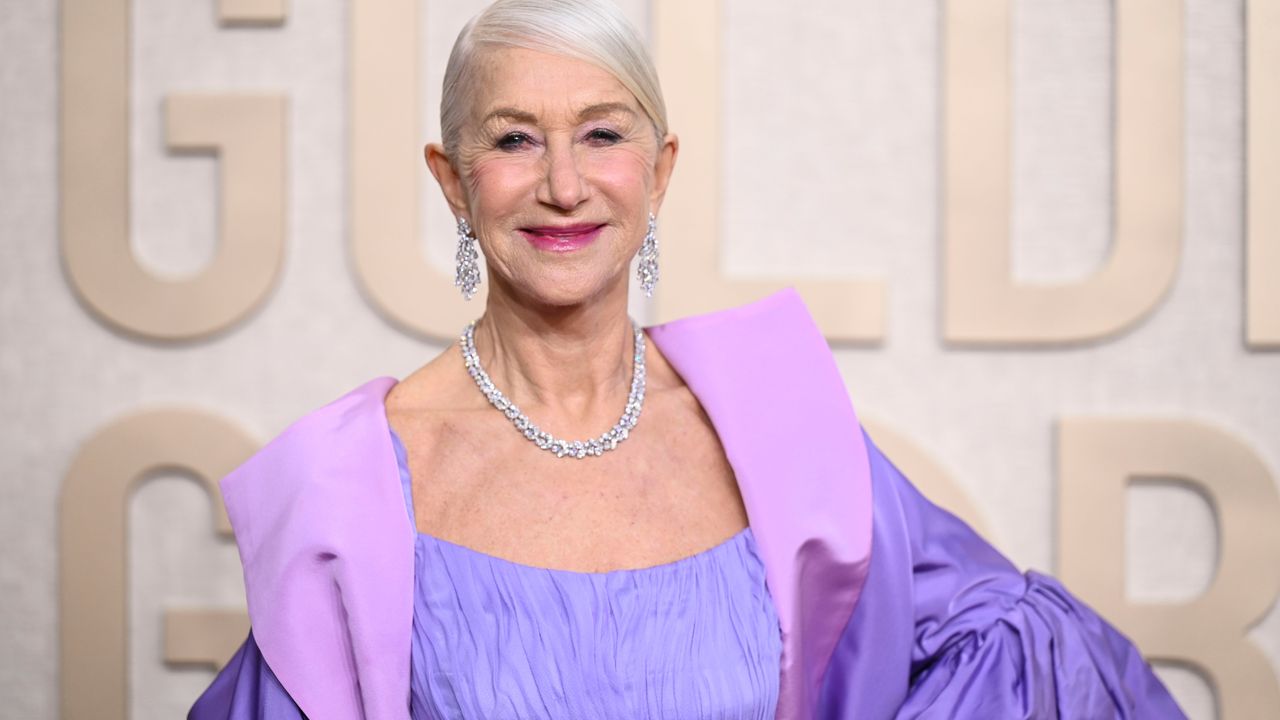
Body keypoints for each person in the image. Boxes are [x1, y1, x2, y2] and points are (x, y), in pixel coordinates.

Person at [189, 0, 1186, 718]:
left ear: (658, 172)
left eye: (602, 134)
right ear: (452, 182)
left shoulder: (769, 430)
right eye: (514, 140)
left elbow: (1014, 645)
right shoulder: (352, 483)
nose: (565, 184)